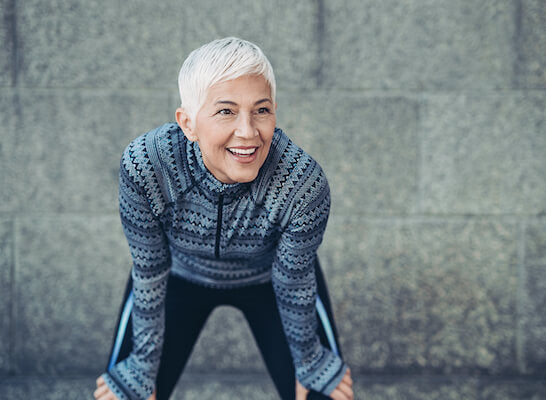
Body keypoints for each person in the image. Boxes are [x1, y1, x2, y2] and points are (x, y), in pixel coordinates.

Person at [93, 37, 353, 400]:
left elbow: (293, 279)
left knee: (321, 392)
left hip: (271, 279)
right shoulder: (146, 165)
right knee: (130, 392)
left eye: (261, 111)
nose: (248, 132)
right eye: (225, 111)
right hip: (177, 274)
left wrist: (309, 361)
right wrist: (142, 366)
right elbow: (150, 267)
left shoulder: (302, 182)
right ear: (188, 123)